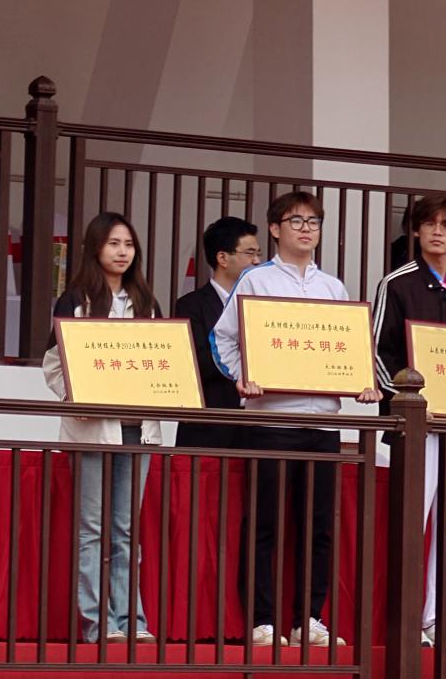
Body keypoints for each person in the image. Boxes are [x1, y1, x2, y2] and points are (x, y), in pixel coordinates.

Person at [213, 191, 381, 648]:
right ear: (274, 228)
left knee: (318, 528)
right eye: (296, 221)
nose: (306, 230)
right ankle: (262, 620)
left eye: (313, 222)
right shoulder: (256, 280)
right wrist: (243, 377)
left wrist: (363, 382)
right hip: (271, 421)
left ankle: (309, 617)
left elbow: (351, 350)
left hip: (323, 424)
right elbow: (222, 339)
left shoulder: (333, 288)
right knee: (264, 524)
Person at [373, 196, 446, 650]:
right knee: (413, 515)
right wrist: (409, 401)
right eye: (430, 224)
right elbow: (378, 352)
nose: (438, 232)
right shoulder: (397, 283)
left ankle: (442, 617)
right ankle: (405, 619)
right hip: (416, 422)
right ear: (416, 231)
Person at [42, 212, 159, 644]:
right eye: (113, 243)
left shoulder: (145, 302)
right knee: (92, 529)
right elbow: (53, 364)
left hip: (137, 430)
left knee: (126, 531)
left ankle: (132, 621)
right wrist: (77, 397)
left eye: (128, 244)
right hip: (92, 428)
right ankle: (99, 624)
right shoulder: (75, 300)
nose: (122, 252)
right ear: (95, 248)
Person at [174, 216, 260, 449]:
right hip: (209, 426)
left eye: (258, 254)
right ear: (222, 258)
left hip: (257, 427)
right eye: (250, 253)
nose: (257, 261)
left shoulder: (263, 306)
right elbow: (194, 362)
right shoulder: (190, 305)